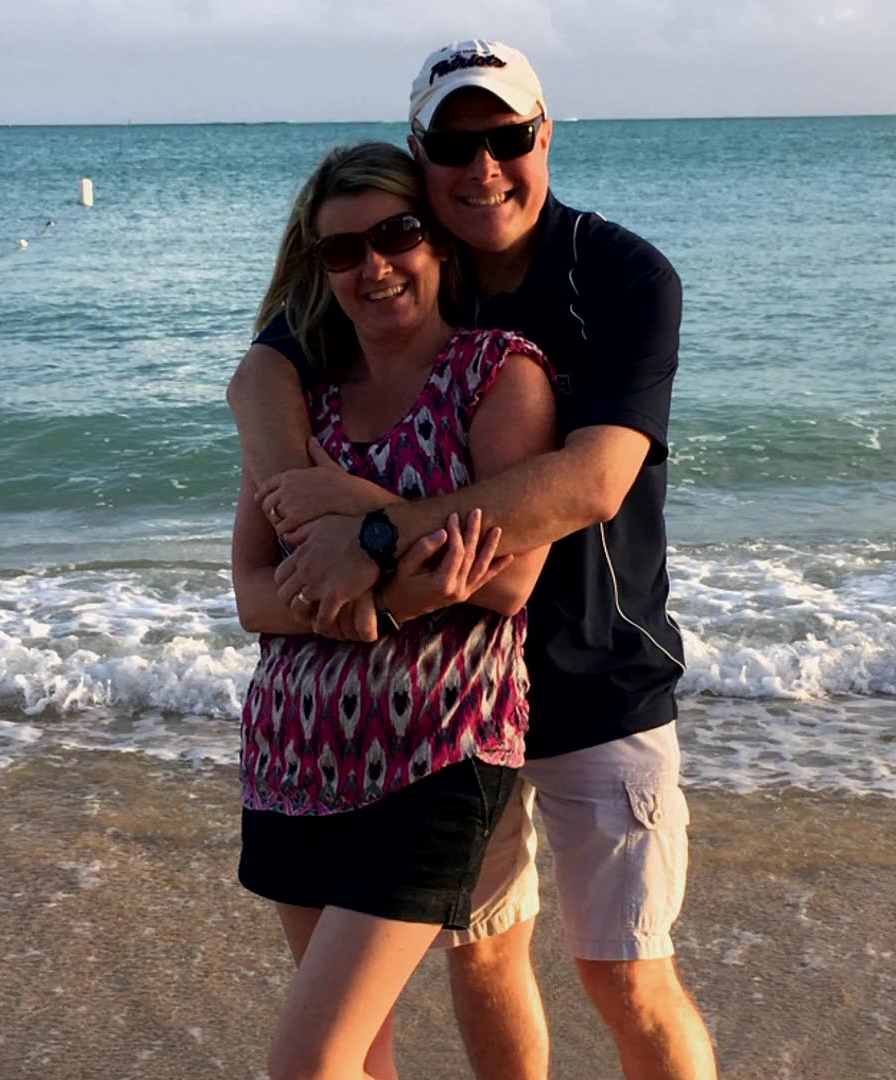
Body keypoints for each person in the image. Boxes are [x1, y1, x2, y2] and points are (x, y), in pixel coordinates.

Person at [230, 40, 717, 1080]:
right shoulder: (391, 267)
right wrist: (296, 505)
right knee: (484, 957)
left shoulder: (621, 276)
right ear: (420, 155)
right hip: (445, 713)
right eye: (455, 146)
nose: (483, 167)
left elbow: (592, 483)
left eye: (507, 137)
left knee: (627, 976)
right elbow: (261, 370)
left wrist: (367, 528)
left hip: (595, 674)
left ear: (545, 136)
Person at [231, 141, 560, 1080]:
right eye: (343, 250)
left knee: (310, 1063)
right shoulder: (300, 403)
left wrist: (357, 507)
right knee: (359, 1060)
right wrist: (386, 599)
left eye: (396, 234)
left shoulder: (498, 375)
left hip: (438, 752)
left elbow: (508, 581)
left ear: (439, 242)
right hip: (293, 756)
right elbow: (253, 592)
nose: (373, 266)